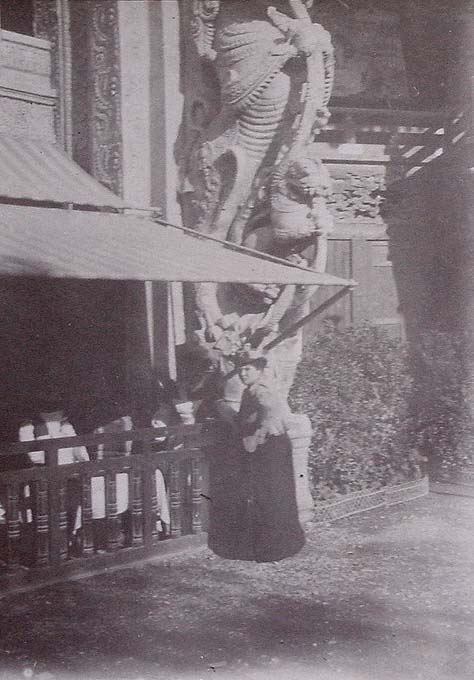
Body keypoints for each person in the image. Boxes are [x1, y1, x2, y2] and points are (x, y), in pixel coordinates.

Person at [208, 349, 305, 562]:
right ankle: (278, 544)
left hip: (270, 449)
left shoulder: (260, 389)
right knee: (271, 495)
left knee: (269, 495)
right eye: (241, 369)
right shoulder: (251, 389)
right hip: (272, 448)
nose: (243, 373)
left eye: (248, 369)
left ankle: (273, 547)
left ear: (260, 370)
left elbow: (272, 411)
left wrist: (259, 435)